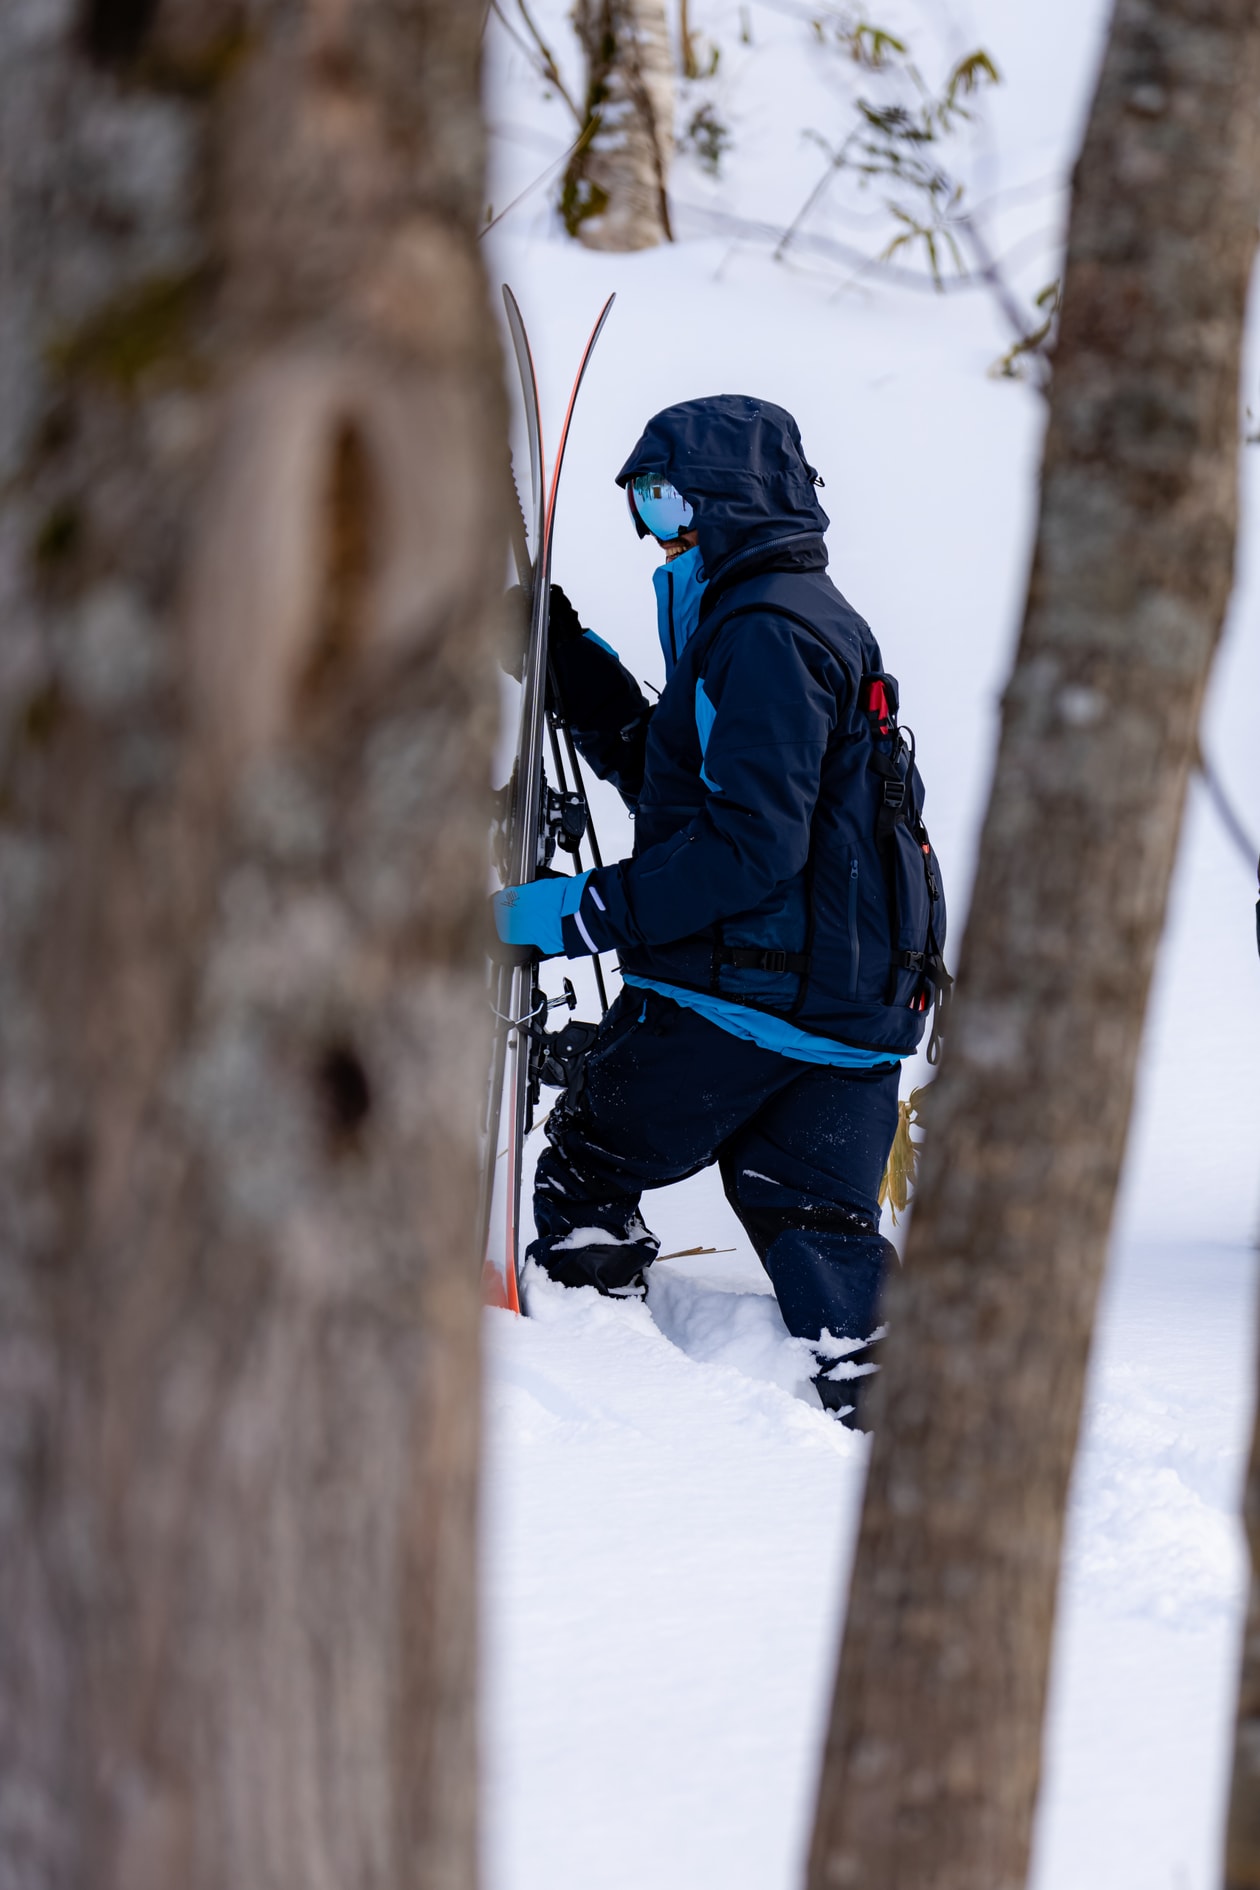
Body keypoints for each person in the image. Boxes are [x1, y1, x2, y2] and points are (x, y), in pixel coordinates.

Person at [493, 394, 947, 1424]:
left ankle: (600, 1369)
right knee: (814, 1220)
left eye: (663, 499)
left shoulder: (765, 632)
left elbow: (747, 851)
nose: (658, 528)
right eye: (643, 507)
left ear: (728, 498)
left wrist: (573, 913)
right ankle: (888, 1424)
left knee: (589, 1160)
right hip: (851, 1016)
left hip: (744, 998)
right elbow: (681, 778)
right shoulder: (791, 617)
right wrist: (564, 658)